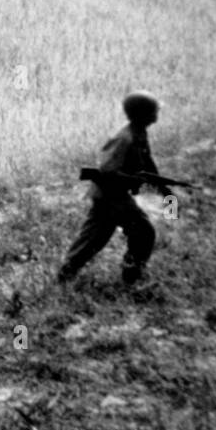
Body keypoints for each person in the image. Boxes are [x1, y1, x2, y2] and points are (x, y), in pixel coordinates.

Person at [58, 92, 164, 286]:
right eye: (154, 110)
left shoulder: (139, 132)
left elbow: (147, 162)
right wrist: (133, 181)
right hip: (109, 197)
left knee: (101, 238)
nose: (157, 113)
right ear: (142, 114)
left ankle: (131, 276)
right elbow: (107, 172)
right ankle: (129, 277)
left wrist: (164, 188)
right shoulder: (123, 138)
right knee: (126, 234)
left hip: (118, 196)